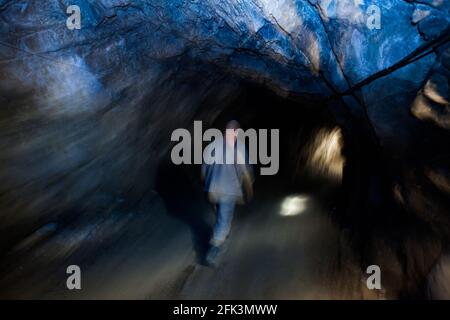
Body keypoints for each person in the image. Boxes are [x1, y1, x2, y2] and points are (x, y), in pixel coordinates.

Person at [201, 120, 254, 266]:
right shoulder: (240, 147)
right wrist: (249, 188)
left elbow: (204, 167)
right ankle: (215, 248)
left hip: (212, 188)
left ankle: (221, 232)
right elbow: (246, 170)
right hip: (228, 189)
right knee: (224, 217)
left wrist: (206, 183)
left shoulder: (213, 144)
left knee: (219, 211)